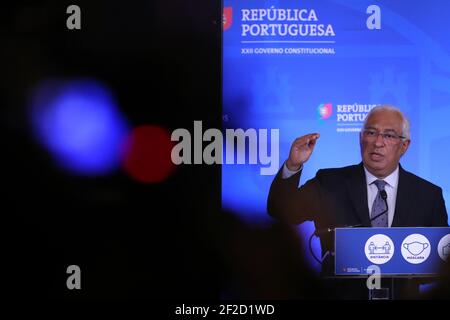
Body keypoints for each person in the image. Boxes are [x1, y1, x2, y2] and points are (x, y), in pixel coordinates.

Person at [267, 105, 448, 299]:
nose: (378, 142)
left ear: (404, 145)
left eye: (388, 135)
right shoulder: (329, 183)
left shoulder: (428, 195)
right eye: (371, 132)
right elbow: (281, 211)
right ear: (360, 138)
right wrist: (293, 165)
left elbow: (442, 264)